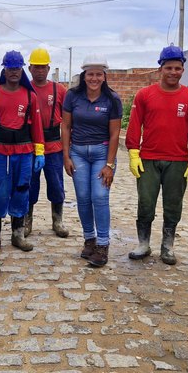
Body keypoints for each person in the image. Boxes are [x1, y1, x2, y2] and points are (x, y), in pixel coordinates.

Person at [125, 45, 188, 264]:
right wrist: (133, 152)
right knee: (146, 203)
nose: (173, 72)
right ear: (160, 69)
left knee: (173, 205)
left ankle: (167, 247)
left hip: (177, 161)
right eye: (169, 68)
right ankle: (143, 243)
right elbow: (134, 125)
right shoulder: (145, 95)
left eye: (178, 68)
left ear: (183, 69)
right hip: (148, 159)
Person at [62, 55, 122, 267]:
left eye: (98, 74)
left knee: (99, 196)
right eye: (90, 74)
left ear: (104, 76)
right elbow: (66, 127)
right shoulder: (72, 96)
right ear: (83, 76)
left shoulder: (112, 99)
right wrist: (66, 156)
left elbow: (115, 133)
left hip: (101, 153)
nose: (94, 78)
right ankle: (89, 240)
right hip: (78, 153)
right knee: (83, 197)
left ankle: (103, 245)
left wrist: (110, 164)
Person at [0, 50, 45, 252]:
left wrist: (40, 151)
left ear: (22, 69)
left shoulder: (30, 96)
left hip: (24, 151)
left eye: (17, 68)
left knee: (21, 189)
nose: (14, 72)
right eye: (10, 68)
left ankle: (18, 234)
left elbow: (37, 126)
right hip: (0, 151)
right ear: (5, 70)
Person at [26, 48, 69, 238]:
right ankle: (27, 221)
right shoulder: (24, 88)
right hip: (30, 145)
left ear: (48, 68)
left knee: (56, 184)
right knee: (28, 184)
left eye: (43, 67)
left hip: (54, 146)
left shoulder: (59, 90)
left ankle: (57, 220)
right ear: (30, 68)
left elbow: (69, 120)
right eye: (36, 67)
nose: (40, 71)